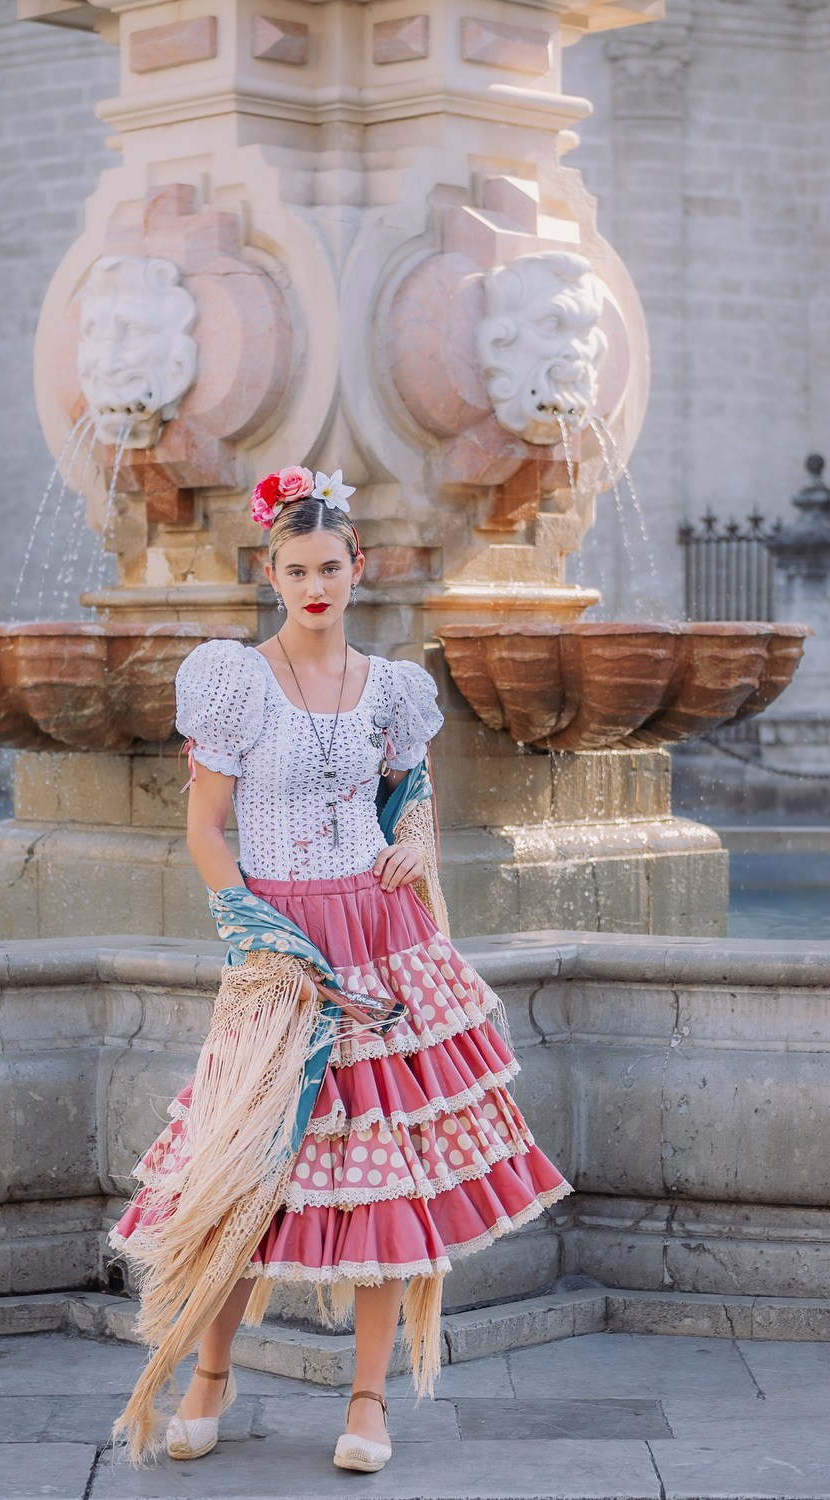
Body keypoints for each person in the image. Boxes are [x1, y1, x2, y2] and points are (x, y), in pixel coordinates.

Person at [109, 465, 572, 1473]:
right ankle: (210, 1376)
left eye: (331, 566)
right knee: (245, 1168)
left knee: (379, 1170)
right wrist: (259, 936)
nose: (315, 583)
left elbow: (411, 805)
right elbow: (203, 828)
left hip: (381, 938)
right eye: (296, 568)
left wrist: (414, 851)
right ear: (270, 574)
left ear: (358, 568)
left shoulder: (393, 690)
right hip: (282, 949)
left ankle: (367, 1401)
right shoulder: (235, 682)